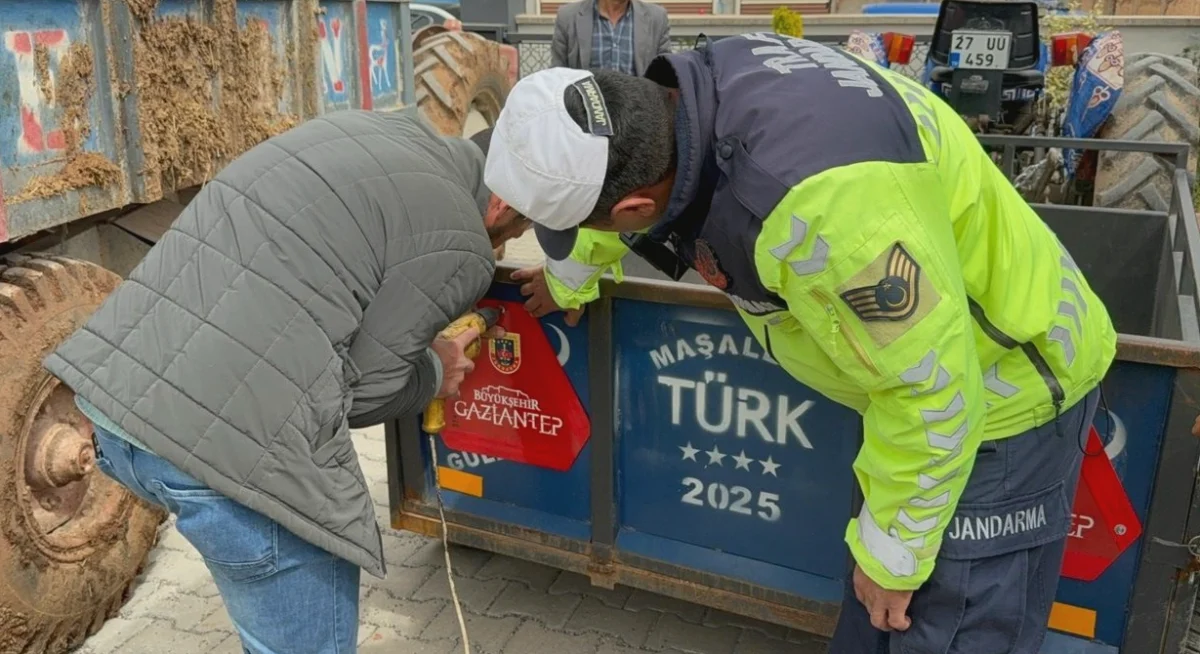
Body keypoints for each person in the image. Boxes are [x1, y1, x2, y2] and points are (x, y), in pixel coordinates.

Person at [484, 35, 1116, 652]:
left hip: (1002, 392)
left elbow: (932, 391)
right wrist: (567, 278)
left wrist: (894, 557)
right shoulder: (682, 103)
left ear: (631, 207)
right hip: (919, 383)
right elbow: (632, 186)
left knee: (938, 623)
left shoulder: (822, 213)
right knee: (874, 613)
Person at [43, 109, 529, 654]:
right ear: (502, 204)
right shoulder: (463, 243)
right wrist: (436, 371)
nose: (509, 242)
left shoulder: (382, 129)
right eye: (519, 229)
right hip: (229, 455)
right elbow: (366, 394)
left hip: (115, 408)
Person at [552, 0, 672, 77]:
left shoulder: (656, 18)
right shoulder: (568, 17)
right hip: (583, 107)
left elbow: (664, 75)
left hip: (639, 107)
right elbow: (557, 73)